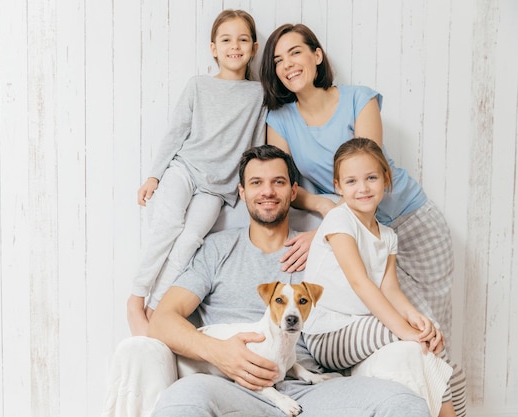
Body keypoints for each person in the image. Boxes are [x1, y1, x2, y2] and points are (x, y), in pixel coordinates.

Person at [137, 144, 431, 417]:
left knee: (404, 404)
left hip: (311, 387)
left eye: (278, 182)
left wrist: (321, 233)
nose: (267, 191)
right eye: (256, 183)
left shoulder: (327, 246)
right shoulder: (217, 249)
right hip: (232, 385)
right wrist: (219, 352)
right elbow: (162, 320)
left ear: (293, 191)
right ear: (241, 192)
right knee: (183, 400)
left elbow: (364, 245)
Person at [259, 23, 456, 351]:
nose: (288, 64)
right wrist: (326, 212)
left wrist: (328, 230)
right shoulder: (279, 121)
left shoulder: (360, 99)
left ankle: (446, 399)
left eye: (295, 52)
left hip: (412, 219)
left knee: (434, 329)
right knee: (405, 333)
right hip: (364, 231)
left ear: (317, 55)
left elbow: (368, 175)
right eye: (278, 60)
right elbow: (288, 186)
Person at [301, 138, 466, 417]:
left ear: (386, 179)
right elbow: (360, 282)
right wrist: (406, 332)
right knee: (422, 344)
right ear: (338, 187)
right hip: (328, 333)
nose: (362, 188)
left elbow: (391, 289)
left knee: (448, 364)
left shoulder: (388, 235)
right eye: (351, 181)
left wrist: (418, 320)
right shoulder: (339, 221)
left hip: (361, 328)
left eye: (371, 178)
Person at [128, 9, 267, 336]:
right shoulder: (198, 85)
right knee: (169, 225)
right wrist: (154, 175)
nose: (235, 46)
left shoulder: (258, 94)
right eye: (226, 39)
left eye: (243, 39)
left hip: (217, 187)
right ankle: (136, 298)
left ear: (254, 47)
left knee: (190, 241)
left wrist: (247, 188)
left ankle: (155, 307)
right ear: (213, 48)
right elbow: (176, 132)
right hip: (185, 169)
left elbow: (256, 144)